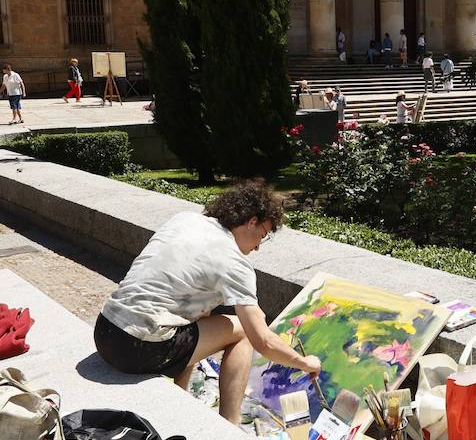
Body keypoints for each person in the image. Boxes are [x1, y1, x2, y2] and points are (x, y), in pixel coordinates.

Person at [94, 181, 321, 423]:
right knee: (243, 331)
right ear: (252, 221)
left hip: (105, 332)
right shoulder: (233, 260)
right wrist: (304, 362)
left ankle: (180, 397)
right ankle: (229, 426)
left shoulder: (185, 220)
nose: (256, 248)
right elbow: (262, 340)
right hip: (138, 348)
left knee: (196, 321)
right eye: (261, 237)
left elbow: (195, 319)